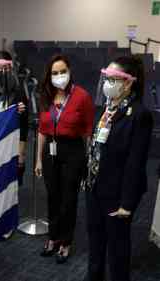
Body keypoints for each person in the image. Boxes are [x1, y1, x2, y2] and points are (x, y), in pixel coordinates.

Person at [85, 56, 153, 281]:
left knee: (117, 249)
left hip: (117, 194)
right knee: (95, 242)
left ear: (128, 83)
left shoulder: (139, 115)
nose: (108, 83)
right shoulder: (104, 109)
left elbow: (136, 163)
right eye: (107, 78)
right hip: (95, 188)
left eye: (114, 79)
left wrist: (127, 203)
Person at [35, 55, 94, 263]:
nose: (59, 76)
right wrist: (38, 160)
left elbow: (88, 131)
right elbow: (41, 130)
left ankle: (66, 242)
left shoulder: (82, 96)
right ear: (49, 75)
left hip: (73, 151)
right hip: (50, 151)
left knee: (68, 199)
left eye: (62, 72)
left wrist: (87, 160)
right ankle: (53, 237)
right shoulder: (45, 95)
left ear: (69, 72)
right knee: (53, 197)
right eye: (54, 73)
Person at [0, 51, 28, 186]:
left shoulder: (18, 93)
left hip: (10, 149)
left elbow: (23, 127)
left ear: (10, 68)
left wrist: (21, 154)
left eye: (4, 67)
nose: (0, 71)